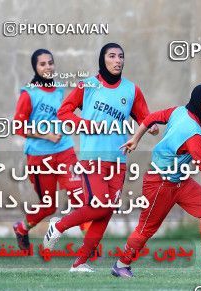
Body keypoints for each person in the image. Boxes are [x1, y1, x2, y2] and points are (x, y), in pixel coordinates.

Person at [42, 43, 159, 272]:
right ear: (102, 60)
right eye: (112, 56)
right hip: (92, 158)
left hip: (119, 161)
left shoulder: (131, 90)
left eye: (121, 57)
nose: (118, 60)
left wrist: (151, 127)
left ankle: (79, 263)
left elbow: (145, 118)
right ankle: (60, 225)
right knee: (99, 206)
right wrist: (84, 124)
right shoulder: (87, 85)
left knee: (105, 213)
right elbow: (63, 112)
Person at [111, 83, 201, 278]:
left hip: (180, 181)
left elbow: (150, 118)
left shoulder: (179, 111)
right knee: (146, 229)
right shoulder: (194, 134)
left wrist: (136, 139)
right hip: (160, 184)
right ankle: (121, 265)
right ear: (199, 103)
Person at [12, 49, 90, 250]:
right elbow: (18, 127)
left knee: (80, 197)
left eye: (50, 63)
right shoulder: (28, 93)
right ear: (35, 68)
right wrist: (46, 135)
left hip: (64, 150)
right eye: (43, 64)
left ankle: (90, 246)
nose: (48, 67)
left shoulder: (59, 89)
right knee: (49, 206)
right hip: (39, 157)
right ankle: (22, 228)